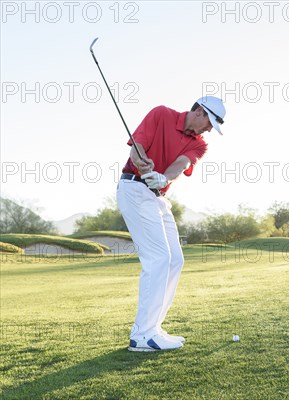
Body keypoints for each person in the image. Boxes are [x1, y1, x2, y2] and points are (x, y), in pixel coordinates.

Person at [117, 96, 226, 352]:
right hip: (134, 188)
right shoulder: (161, 114)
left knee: (175, 259)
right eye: (209, 122)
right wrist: (144, 165)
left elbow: (181, 164)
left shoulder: (199, 145)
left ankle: (153, 328)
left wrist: (162, 177)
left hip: (157, 197)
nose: (209, 129)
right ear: (198, 111)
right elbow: (137, 147)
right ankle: (142, 336)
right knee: (159, 258)